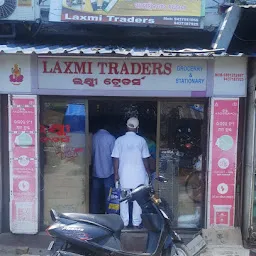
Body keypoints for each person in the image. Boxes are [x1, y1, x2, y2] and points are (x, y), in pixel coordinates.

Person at [111, 117, 150, 228]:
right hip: (139, 176)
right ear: (137, 128)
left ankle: (124, 222)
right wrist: (148, 173)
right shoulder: (141, 140)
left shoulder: (119, 140)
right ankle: (136, 222)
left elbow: (115, 159)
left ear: (126, 126)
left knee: (123, 199)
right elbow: (145, 159)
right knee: (138, 198)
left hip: (123, 175)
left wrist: (116, 174)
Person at [91, 120, 116, 214]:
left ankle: (94, 214)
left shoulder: (93, 137)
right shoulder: (111, 138)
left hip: (96, 170)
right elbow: (115, 156)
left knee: (95, 196)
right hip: (109, 171)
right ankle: (109, 214)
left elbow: (91, 154)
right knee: (109, 196)